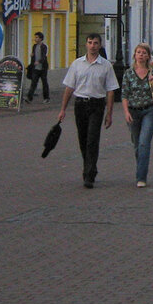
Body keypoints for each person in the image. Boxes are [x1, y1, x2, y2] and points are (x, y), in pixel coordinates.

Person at [57, 33, 119, 189]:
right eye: (90, 42)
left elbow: (111, 91)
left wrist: (109, 113)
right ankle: (89, 167)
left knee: (92, 139)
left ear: (100, 45)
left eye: (96, 43)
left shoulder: (106, 66)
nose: (92, 45)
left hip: (97, 105)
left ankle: (89, 174)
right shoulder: (77, 64)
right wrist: (63, 109)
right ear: (86, 44)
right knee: (83, 140)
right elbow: (69, 87)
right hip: (80, 104)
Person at [121, 43, 153, 187]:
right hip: (133, 111)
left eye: (144, 53)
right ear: (135, 55)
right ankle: (141, 167)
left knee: (144, 142)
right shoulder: (128, 73)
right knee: (137, 145)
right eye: (139, 52)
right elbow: (124, 94)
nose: (141, 55)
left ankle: (141, 177)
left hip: (149, 110)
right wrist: (126, 112)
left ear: (148, 56)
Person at [25, 31, 50, 104]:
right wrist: (32, 57)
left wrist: (39, 61)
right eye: (35, 37)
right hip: (35, 68)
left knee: (44, 83)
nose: (35, 39)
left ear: (41, 38)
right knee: (33, 83)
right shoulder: (34, 46)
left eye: (37, 37)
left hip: (43, 68)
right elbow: (34, 55)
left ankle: (46, 98)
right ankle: (29, 98)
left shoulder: (44, 46)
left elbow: (44, 56)